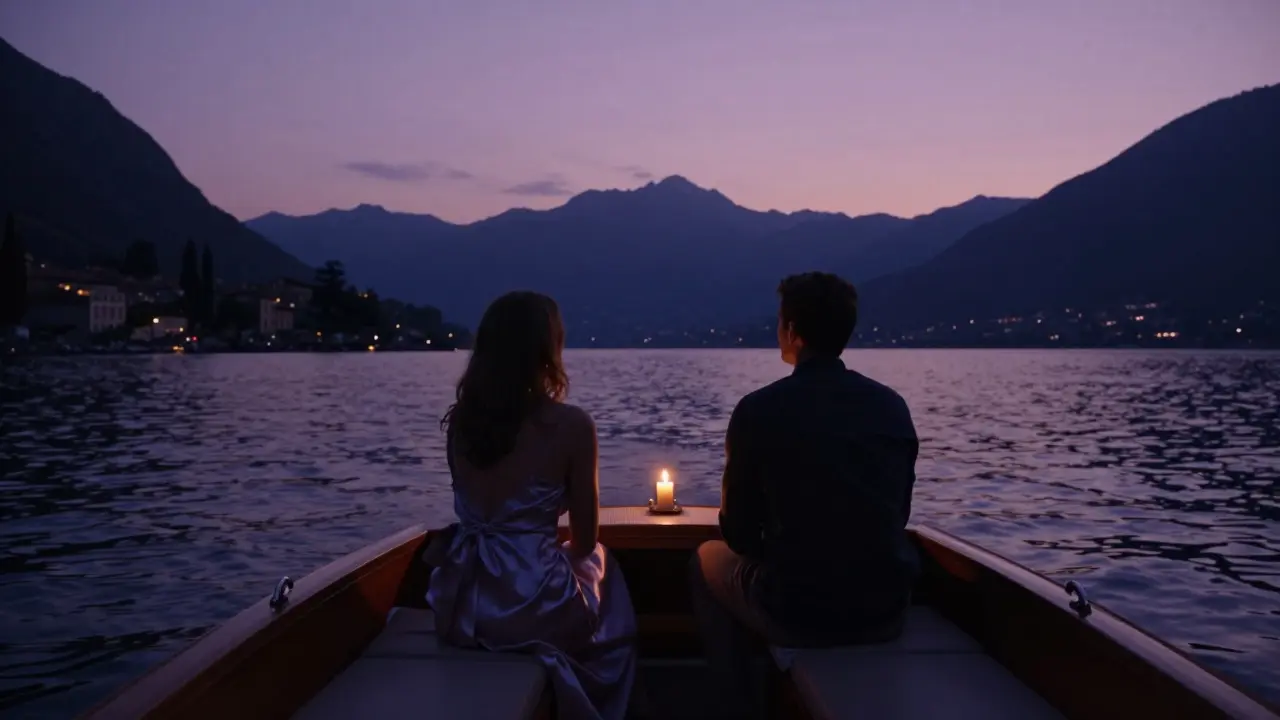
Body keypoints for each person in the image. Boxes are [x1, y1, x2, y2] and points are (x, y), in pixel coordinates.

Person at [689, 272, 920, 719]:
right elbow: (900, 514)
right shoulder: (892, 406)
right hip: (887, 610)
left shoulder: (759, 410)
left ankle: (734, 706)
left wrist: (780, 551)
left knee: (703, 561)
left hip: (800, 610)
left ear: (791, 330)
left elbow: (737, 534)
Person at [427, 291, 638, 720]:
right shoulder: (572, 425)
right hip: (526, 605)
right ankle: (619, 703)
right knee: (602, 565)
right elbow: (584, 540)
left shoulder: (460, 423)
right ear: (547, 350)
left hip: (460, 599)